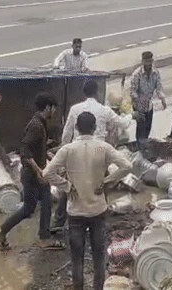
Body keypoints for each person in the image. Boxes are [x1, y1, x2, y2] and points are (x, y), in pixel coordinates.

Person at [43, 112, 133, 290]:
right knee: (99, 256)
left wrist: (67, 186)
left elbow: (47, 173)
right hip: (98, 210)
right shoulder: (102, 147)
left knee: (77, 258)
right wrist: (106, 181)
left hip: (75, 211)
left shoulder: (68, 149)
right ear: (94, 128)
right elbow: (127, 166)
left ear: (76, 128)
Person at [52, 79, 132, 233]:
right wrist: (131, 116)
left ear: (84, 92)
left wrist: (64, 153)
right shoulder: (104, 110)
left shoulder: (75, 109)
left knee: (71, 187)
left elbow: (66, 134)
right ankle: (99, 219)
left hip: (76, 153)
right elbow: (123, 124)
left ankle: (59, 221)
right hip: (98, 153)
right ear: (97, 92)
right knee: (100, 186)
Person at [0, 93, 66, 251]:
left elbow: (36, 148)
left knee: (30, 208)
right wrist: (39, 171)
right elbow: (24, 150)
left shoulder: (40, 123)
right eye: (53, 108)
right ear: (47, 107)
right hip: (32, 174)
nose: (54, 112)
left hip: (32, 173)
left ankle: (2, 231)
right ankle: (44, 238)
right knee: (43, 204)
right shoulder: (36, 126)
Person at [130, 51, 167, 142]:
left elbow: (159, 87)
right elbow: (133, 91)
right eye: (146, 61)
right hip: (139, 105)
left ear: (152, 61)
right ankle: (141, 147)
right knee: (141, 129)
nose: (148, 64)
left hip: (149, 104)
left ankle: (144, 145)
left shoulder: (155, 73)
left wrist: (162, 99)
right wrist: (136, 106)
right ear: (142, 61)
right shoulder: (137, 74)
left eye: (150, 61)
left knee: (148, 128)